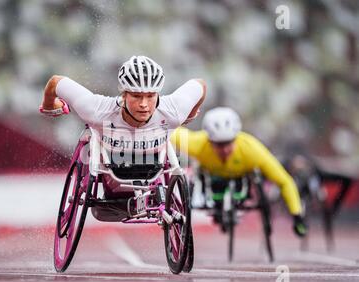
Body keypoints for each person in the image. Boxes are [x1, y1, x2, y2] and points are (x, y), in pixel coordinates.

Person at [40, 55, 207, 220]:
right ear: (124, 94)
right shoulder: (96, 110)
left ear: (158, 94)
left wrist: (190, 113)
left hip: (152, 165)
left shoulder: (174, 111)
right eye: (136, 96)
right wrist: (50, 105)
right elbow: (55, 82)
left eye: (150, 96)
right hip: (112, 169)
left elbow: (201, 85)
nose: (144, 104)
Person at [170, 107, 307, 237]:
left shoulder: (252, 149)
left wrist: (297, 215)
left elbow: (284, 181)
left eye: (228, 143)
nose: (224, 150)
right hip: (211, 179)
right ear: (209, 140)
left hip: (240, 180)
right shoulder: (198, 143)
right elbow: (170, 132)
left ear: (236, 138)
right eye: (218, 144)